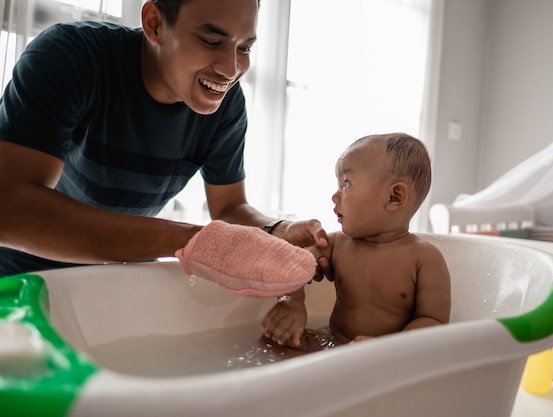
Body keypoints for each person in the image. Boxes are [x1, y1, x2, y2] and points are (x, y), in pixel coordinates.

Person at [0, 0, 328, 277]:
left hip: (119, 276)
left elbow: (230, 206)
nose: (230, 70)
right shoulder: (71, 56)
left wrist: (278, 231)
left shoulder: (227, 105)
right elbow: (9, 208)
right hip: (20, 275)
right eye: (212, 42)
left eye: (244, 48)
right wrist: (191, 239)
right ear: (154, 23)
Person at [261, 133, 451, 349]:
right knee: (275, 342)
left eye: (346, 183)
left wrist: (385, 348)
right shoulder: (334, 245)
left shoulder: (424, 259)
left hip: (389, 359)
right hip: (333, 344)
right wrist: (292, 301)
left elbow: (434, 323)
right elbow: (293, 263)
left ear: (394, 196)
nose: (334, 195)